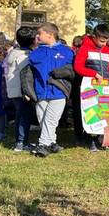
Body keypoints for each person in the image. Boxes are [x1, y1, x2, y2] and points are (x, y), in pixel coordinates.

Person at [28, 23, 74, 157]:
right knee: (42, 119)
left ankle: (42, 145)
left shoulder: (66, 52)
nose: (37, 36)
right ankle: (52, 143)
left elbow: (71, 71)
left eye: (40, 33)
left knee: (51, 119)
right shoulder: (36, 53)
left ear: (50, 34)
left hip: (58, 91)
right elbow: (29, 73)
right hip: (40, 91)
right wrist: (28, 91)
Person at [73, 25, 109, 150]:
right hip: (89, 87)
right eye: (101, 41)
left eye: (106, 41)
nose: (104, 44)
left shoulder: (107, 50)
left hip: (104, 87)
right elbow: (78, 67)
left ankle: (102, 137)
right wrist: (93, 74)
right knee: (90, 112)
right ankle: (88, 138)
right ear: (94, 37)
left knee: (103, 112)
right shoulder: (85, 48)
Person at [4, 27, 37, 151]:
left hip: (14, 90)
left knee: (20, 115)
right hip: (22, 91)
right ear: (33, 40)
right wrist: (27, 92)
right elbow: (25, 75)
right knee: (24, 117)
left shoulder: (14, 52)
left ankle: (19, 141)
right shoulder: (25, 56)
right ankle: (21, 143)